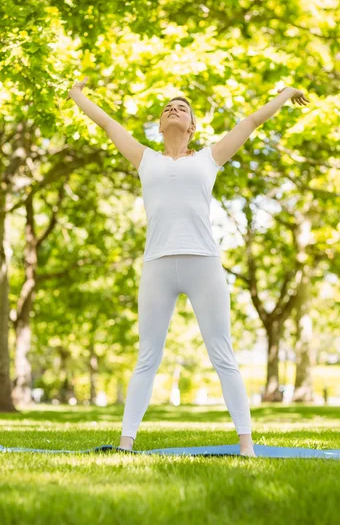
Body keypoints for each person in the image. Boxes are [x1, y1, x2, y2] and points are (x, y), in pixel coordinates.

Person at [68, 77, 309, 457]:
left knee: (222, 354)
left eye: (182, 108)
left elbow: (249, 124)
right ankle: (125, 444)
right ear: (160, 127)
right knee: (147, 356)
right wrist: (77, 94)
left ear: (192, 127)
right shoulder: (144, 157)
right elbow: (108, 124)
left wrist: (284, 95)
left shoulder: (207, 158)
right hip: (157, 266)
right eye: (167, 109)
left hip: (203, 264)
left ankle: (246, 444)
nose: (173, 109)